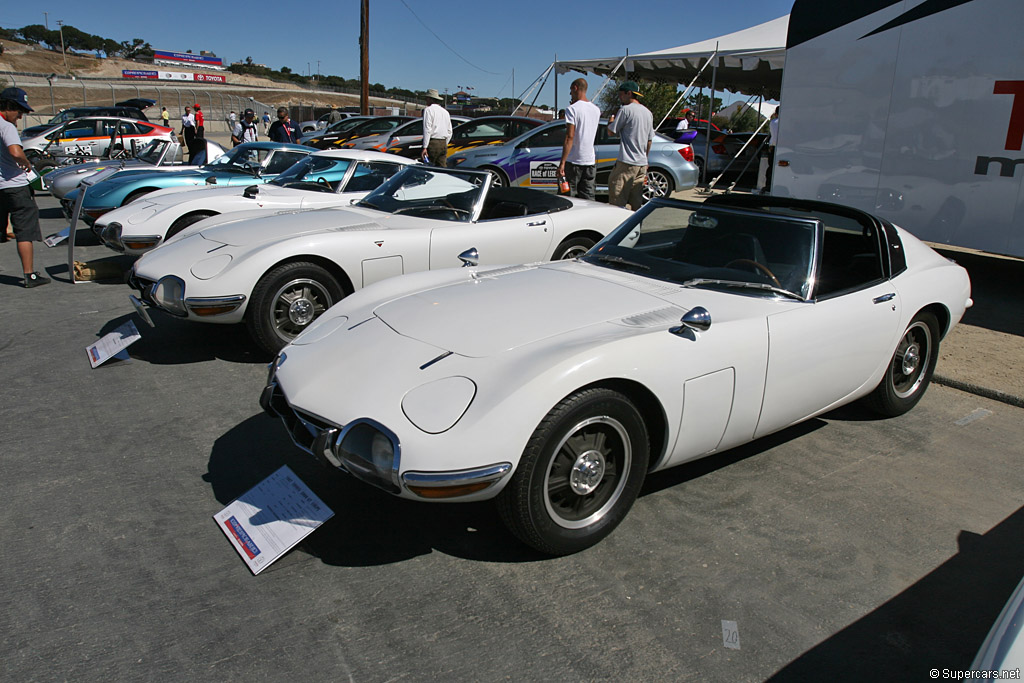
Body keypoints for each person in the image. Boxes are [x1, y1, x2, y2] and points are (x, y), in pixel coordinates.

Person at [0, 88, 50, 287]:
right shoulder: (6, 126)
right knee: (24, 232)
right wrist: (26, 163)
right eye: (19, 111)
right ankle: (29, 275)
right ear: (9, 106)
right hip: (15, 186)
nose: (20, 116)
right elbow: (14, 151)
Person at [606, 80, 654, 210]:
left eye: (621, 94)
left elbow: (611, 131)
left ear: (628, 93)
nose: (620, 97)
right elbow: (649, 140)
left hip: (626, 162)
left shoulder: (625, 110)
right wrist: (646, 159)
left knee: (617, 197)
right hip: (641, 163)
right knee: (636, 202)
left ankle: (617, 227)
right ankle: (636, 227)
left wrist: (610, 121)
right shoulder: (648, 113)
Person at [557, 78, 600, 200]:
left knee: (565, 196)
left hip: (574, 160)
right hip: (590, 160)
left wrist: (562, 163)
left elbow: (570, 137)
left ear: (575, 88)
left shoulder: (572, 109)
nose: (570, 94)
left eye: (571, 91)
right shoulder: (596, 110)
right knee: (588, 196)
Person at [421, 89, 452, 167]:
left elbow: (427, 129)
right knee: (442, 168)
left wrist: (425, 147)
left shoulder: (428, 110)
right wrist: (445, 142)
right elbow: (450, 131)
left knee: (429, 167)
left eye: (427, 98)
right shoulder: (445, 112)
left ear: (430, 99)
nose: (426, 100)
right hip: (443, 142)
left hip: (433, 142)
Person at [763, 106, 779, 194]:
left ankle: (768, 185)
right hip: (783, 147)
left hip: (774, 146)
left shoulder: (773, 122)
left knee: (771, 167)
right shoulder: (786, 122)